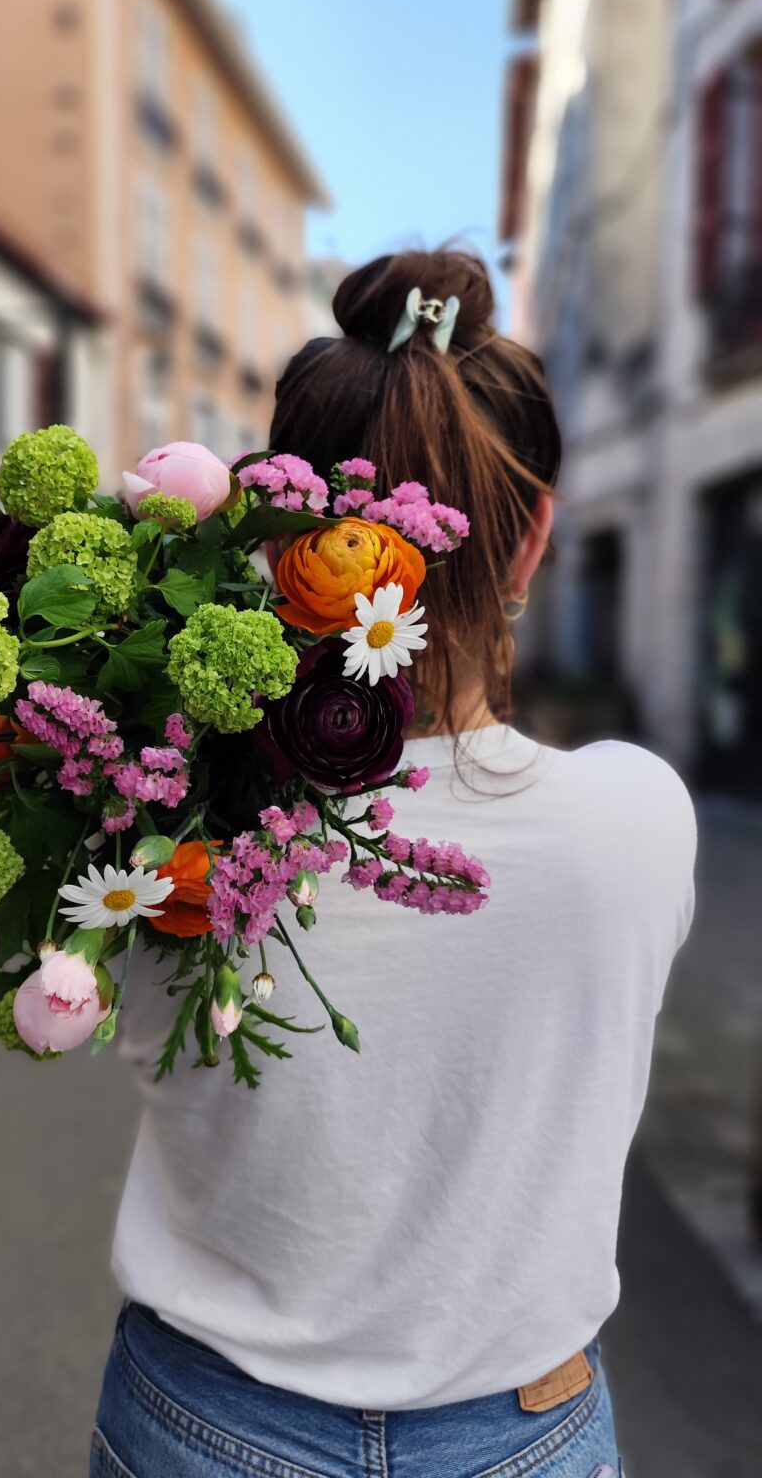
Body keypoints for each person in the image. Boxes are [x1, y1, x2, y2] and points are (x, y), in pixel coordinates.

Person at [89, 249, 696, 1478]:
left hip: (203, 1424)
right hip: (522, 1433)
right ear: (533, 544)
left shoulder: (145, 820)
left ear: (276, 537)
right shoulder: (639, 818)